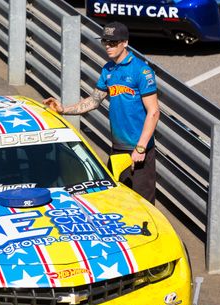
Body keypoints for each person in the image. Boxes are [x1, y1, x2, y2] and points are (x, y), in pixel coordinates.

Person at [43, 22, 160, 204]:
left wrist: (141, 147)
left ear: (125, 43)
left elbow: (153, 112)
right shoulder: (108, 69)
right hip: (117, 149)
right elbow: (94, 101)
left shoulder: (141, 71)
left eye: (113, 42)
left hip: (139, 150)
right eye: (105, 42)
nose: (108, 46)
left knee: (143, 204)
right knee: (117, 200)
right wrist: (64, 109)